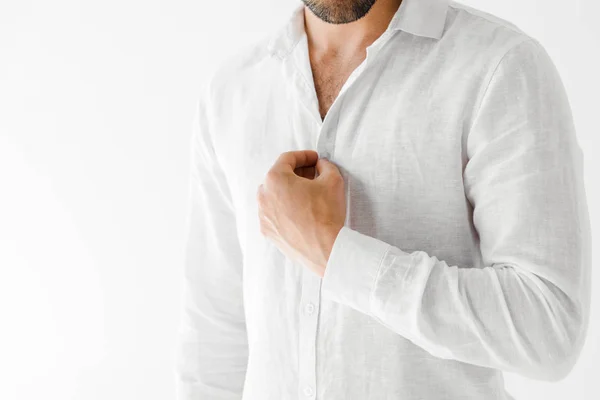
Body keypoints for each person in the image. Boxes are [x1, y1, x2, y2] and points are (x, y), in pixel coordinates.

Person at [174, 0, 592, 399]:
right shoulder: (233, 93)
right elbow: (215, 340)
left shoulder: (499, 68)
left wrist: (336, 255)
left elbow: (548, 330)